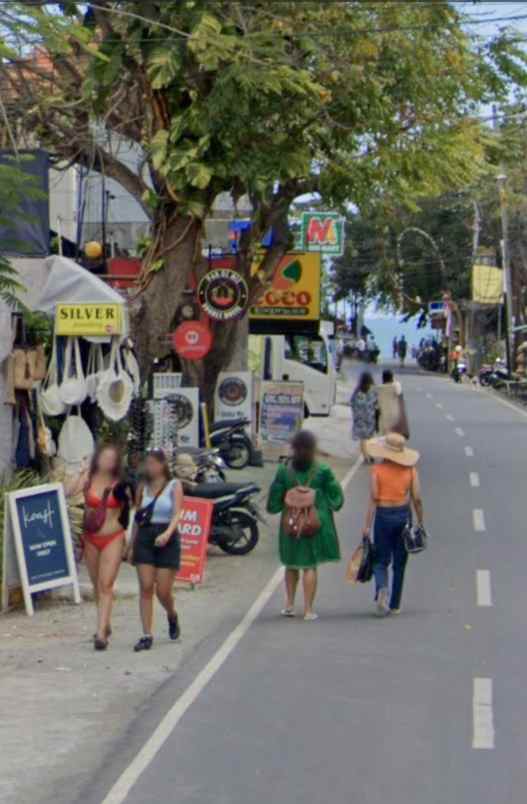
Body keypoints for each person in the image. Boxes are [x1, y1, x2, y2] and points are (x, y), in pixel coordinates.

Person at [267, 430, 343, 621]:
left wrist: (281, 505)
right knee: (310, 566)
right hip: (313, 524)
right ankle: (308, 610)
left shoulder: (284, 470)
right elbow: (337, 498)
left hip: (291, 523)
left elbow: (273, 502)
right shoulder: (322, 470)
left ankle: (289, 605)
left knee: (291, 564)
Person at [67, 444, 132, 651]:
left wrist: (129, 543)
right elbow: (68, 492)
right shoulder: (88, 478)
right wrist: (81, 471)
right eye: (104, 457)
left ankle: (101, 633)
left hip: (113, 537)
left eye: (111, 459)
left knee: (106, 584)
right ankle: (105, 622)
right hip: (91, 538)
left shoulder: (121, 484)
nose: (107, 462)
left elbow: (131, 510)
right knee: (96, 585)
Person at [362, 433, 424, 616]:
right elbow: (417, 498)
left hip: (383, 515)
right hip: (403, 516)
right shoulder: (410, 471)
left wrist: (366, 525)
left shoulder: (378, 470)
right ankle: (395, 604)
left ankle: (382, 588)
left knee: (381, 560)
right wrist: (420, 521)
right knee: (400, 562)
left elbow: (373, 498)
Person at [131, 450, 184, 651]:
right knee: (145, 586)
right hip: (145, 536)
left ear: (162, 465)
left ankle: (171, 614)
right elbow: (138, 516)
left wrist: (168, 533)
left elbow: (177, 512)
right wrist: (130, 543)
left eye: (153, 463)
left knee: (163, 590)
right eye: (147, 463)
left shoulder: (174, 485)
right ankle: (146, 634)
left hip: (166, 537)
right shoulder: (142, 487)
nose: (149, 467)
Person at [350, 371, 377, 462]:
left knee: (363, 438)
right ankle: (370, 454)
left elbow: (352, 402)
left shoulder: (358, 390)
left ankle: (366, 456)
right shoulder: (373, 390)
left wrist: (355, 412)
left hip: (360, 417)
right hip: (370, 416)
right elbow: (376, 402)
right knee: (370, 437)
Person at [377, 369, 407, 437]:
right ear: (392, 377)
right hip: (395, 416)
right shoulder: (396, 386)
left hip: (383, 416)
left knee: (383, 437)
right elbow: (400, 397)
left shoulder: (379, 388)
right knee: (394, 438)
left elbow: (376, 404)